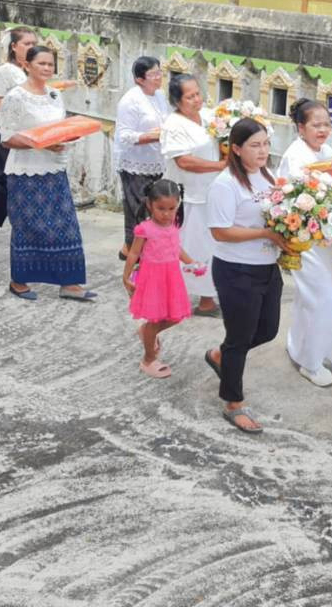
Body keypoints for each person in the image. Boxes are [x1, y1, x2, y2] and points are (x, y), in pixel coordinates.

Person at [204, 118, 289, 435]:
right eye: (255, 145)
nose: (262, 151)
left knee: (267, 330)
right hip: (236, 270)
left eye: (266, 144)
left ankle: (220, 355)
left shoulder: (268, 176)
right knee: (239, 338)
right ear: (236, 149)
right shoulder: (225, 184)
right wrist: (264, 233)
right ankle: (233, 403)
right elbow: (220, 231)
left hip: (267, 266)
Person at [0, 44, 94, 301]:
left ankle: (69, 283)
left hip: (55, 168)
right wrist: (39, 144)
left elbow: (58, 128)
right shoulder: (15, 97)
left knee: (65, 225)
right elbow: (6, 137)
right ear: (26, 65)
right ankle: (19, 281)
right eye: (41, 63)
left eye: (51, 64)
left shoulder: (54, 94)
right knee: (28, 226)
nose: (47, 68)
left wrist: (67, 138)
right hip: (25, 172)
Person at [277, 99, 332, 388]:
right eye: (316, 125)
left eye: (326, 124)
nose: (322, 130)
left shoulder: (328, 152)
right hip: (304, 239)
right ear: (300, 128)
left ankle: (301, 346)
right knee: (320, 297)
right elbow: (290, 199)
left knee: (318, 297)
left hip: (326, 239)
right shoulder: (295, 156)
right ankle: (311, 363)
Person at [160, 74, 225, 317]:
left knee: (210, 245)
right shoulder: (173, 125)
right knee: (186, 246)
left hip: (211, 192)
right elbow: (184, 161)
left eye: (198, 93)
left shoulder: (208, 117)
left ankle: (207, 298)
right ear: (177, 101)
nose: (197, 99)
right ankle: (171, 297)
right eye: (190, 97)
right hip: (187, 196)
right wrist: (219, 166)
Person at [122, 179, 196, 378]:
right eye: (161, 208)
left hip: (171, 278)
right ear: (149, 205)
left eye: (172, 208)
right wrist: (126, 276)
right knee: (155, 319)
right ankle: (148, 359)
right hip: (152, 279)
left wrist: (191, 262)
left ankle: (147, 332)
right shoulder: (145, 229)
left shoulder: (174, 225)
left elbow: (175, 248)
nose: (166, 214)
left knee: (176, 316)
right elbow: (133, 253)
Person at [114, 55, 170, 257]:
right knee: (138, 209)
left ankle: (133, 249)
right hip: (135, 163)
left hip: (156, 161)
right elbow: (124, 136)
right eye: (153, 74)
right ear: (139, 79)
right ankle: (135, 251)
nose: (158, 77)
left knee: (153, 208)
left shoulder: (160, 95)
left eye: (159, 72)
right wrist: (153, 136)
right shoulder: (130, 101)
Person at [0, 27, 37, 230]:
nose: (31, 47)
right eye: (26, 43)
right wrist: (19, 103)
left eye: (34, 43)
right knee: (8, 178)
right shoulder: (4, 71)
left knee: (30, 175)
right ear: (14, 46)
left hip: (32, 129)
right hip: (10, 129)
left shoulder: (34, 68)